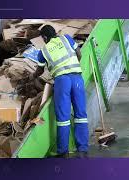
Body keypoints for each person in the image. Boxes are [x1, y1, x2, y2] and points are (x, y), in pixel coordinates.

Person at [31, 25, 88, 158]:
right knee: (81, 114)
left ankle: (63, 152)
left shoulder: (43, 51)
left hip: (62, 81)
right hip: (77, 78)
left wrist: (32, 77)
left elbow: (39, 71)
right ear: (55, 33)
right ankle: (83, 149)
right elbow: (79, 53)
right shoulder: (67, 39)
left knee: (63, 117)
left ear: (44, 37)